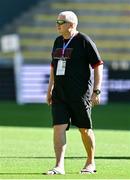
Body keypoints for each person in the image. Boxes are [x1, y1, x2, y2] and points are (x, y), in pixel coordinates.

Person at [46, 11, 103, 175]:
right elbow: (53, 66)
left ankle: (90, 163)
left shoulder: (84, 41)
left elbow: (98, 65)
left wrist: (96, 90)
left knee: (85, 129)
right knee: (58, 127)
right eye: (57, 21)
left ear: (71, 24)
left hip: (80, 94)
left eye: (60, 21)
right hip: (60, 94)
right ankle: (59, 166)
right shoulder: (57, 41)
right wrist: (50, 88)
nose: (57, 24)